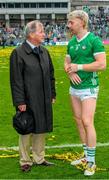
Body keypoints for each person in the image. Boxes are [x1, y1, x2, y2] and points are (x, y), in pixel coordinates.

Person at [10, 20, 56, 172]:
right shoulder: (18, 53)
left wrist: (52, 94)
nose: (44, 34)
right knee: (26, 128)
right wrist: (19, 101)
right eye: (41, 31)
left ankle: (39, 158)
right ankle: (25, 160)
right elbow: (16, 80)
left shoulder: (44, 51)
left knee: (41, 128)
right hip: (28, 99)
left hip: (43, 97)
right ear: (31, 34)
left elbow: (51, 75)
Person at [64, 10, 106, 176]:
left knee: (87, 121)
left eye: (71, 22)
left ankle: (91, 162)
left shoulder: (94, 40)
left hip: (89, 87)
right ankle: (85, 156)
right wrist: (70, 72)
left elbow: (102, 64)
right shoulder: (71, 42)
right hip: (74, 88)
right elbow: (67, 62)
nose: (69, 26)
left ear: (82, 21)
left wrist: (79, 67)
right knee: (78, 121)